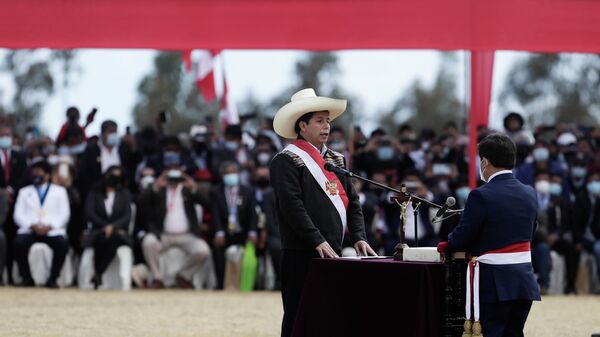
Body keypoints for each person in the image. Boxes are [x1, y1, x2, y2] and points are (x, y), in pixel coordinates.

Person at [269, 88, 377, 337]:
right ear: (302, 125)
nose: (326, 126)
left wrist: (359, 235)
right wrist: (316, 239)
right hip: (301, 250)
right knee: (297, 315)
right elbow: (292, 206)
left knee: (327, 314)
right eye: (319, 121)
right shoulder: (286, 160)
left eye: (328, 120)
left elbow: (353, 200)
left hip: (333, 250)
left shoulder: (337, 160)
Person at [438, 133, 540, 337]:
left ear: (485, 161)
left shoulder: (480, 195)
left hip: (494, 280)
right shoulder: (529, 192)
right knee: (514, 333)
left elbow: (462, 237)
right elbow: (532, 230)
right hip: (523, 279)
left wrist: (445, 244)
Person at [141, 152, 211, 289]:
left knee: (203, 250)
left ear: (181, 170)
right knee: (148, 242)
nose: (173, 172)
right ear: (165, 170)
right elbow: (142, 204)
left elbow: (207, 204)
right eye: (170, 168)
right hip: (163, 235)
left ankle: (184, 275)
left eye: (176, 168)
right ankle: (157, 278)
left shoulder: (187, 189)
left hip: (186, 235)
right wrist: (155, 187)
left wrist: (194, 188)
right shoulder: (159, 189)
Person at [13, 161, 70, 288]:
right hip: (30, 229)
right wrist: (31, 225)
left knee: (62, 244)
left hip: (51, 230)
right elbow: (18, 214)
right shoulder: (24, 191)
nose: (36, 175)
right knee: (18, 243)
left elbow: (64, 214)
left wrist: (50, 226)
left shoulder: (59, 191)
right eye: (34, 172)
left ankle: (53, 278)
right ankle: (26, 278)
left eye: (39, 172)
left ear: (48, 175)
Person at [210, 161, 258, 290]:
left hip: (242, 233)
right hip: (225, 233)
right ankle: (221, 285)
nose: (230, 175)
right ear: (222, 175)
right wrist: (219, 232)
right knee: (218, 251)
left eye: (233, 172)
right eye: (227, 173)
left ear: (238, 174)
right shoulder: (216, 191)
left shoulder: (248, 191)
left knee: (252, 254)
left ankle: (248, 286)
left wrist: (252, 232)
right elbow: (215, 214)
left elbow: (253, 213)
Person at [84, 165, 132, 289]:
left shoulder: (125, 194)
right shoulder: (95, 192)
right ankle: (98, 274)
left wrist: (113, 226)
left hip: (118, 232)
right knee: (100, 239)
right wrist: (105, 226)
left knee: (114, 240)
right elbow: (90, 213)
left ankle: (98, 273)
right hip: (98, 230)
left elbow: (127, 216)